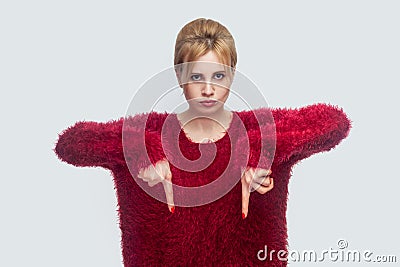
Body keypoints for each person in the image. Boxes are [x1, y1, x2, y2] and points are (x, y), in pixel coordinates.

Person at [137, 18, 274, 219]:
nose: (208, 90)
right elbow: (76, 141)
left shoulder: (256, 129)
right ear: (179, 76)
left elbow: (334, 122)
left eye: (218, 76)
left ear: (232, 75)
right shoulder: (155, 131)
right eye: (196, 77)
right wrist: (144, 154)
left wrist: (258, 160)